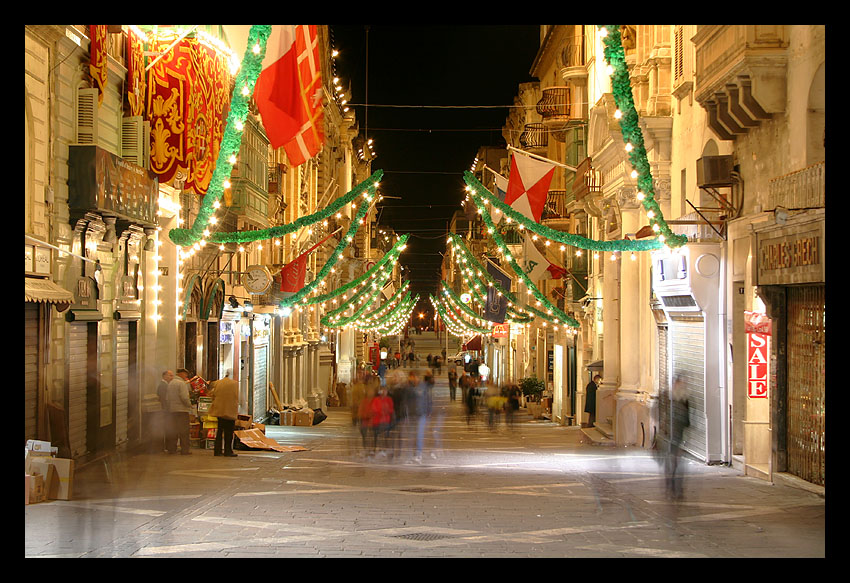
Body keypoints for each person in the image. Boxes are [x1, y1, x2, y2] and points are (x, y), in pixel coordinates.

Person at [667, 373, 690, 500]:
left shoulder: (684, 397)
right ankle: (672, 486)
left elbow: (688, 417)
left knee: (677, 463)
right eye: (681, 382)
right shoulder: (670, 397)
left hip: (680, 433)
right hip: (672, 433)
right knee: (674, 462)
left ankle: (676, 487)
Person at [208, 371, 239, 457]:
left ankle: (217, 451)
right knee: (229, 433)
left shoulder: (217, 383)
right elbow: (237, 397)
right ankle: (228, 451)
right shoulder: (235, 384)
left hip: (220, 411)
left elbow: (212, 394)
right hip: (230, 411)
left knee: (219, 431)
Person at [166, 368, 193, 455]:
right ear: (181, 374)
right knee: (184, 431)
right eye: (185, 374)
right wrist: (189, 405)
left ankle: (172, 449)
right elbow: (184, 397)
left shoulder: (170, 383)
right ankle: (185, 450)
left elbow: (167, 398)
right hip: (182, 411)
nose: (186, 376)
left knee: (173, 430)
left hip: (172, 410)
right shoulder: (181, 383)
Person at [154, 370, 172, 453]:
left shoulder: (166, 385)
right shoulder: (163, 386)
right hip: (164, 410)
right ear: (164, 376)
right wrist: (166, 409)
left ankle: (166, 447)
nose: (171, 377)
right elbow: (164, 399)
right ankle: (163, 447)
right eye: (170, 375)